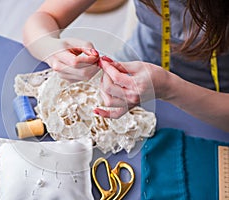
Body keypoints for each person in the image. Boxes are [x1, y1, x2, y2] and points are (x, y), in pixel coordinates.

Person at [23, 0, 229, 132]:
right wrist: (50, 47)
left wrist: (169, 88)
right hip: (134, 69)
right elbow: (44, 18)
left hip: (212, 103)